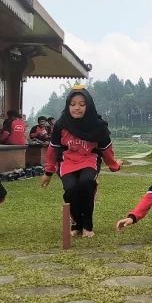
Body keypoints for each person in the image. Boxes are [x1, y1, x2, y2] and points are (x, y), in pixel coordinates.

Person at [41, 85, 122, 238]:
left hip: (89, 159)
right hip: (67, 161)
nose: (76, 108)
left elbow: (106, 149)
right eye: (72, 104)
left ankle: (87, 225)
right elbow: (53, 148)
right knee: (71, 190)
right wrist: (48, 172)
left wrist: (114, 166)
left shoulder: (98, 126)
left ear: (88, 105)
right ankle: (77, 223)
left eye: (82, 104)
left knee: (86, 184)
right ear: (68, 105)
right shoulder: (61, 124)